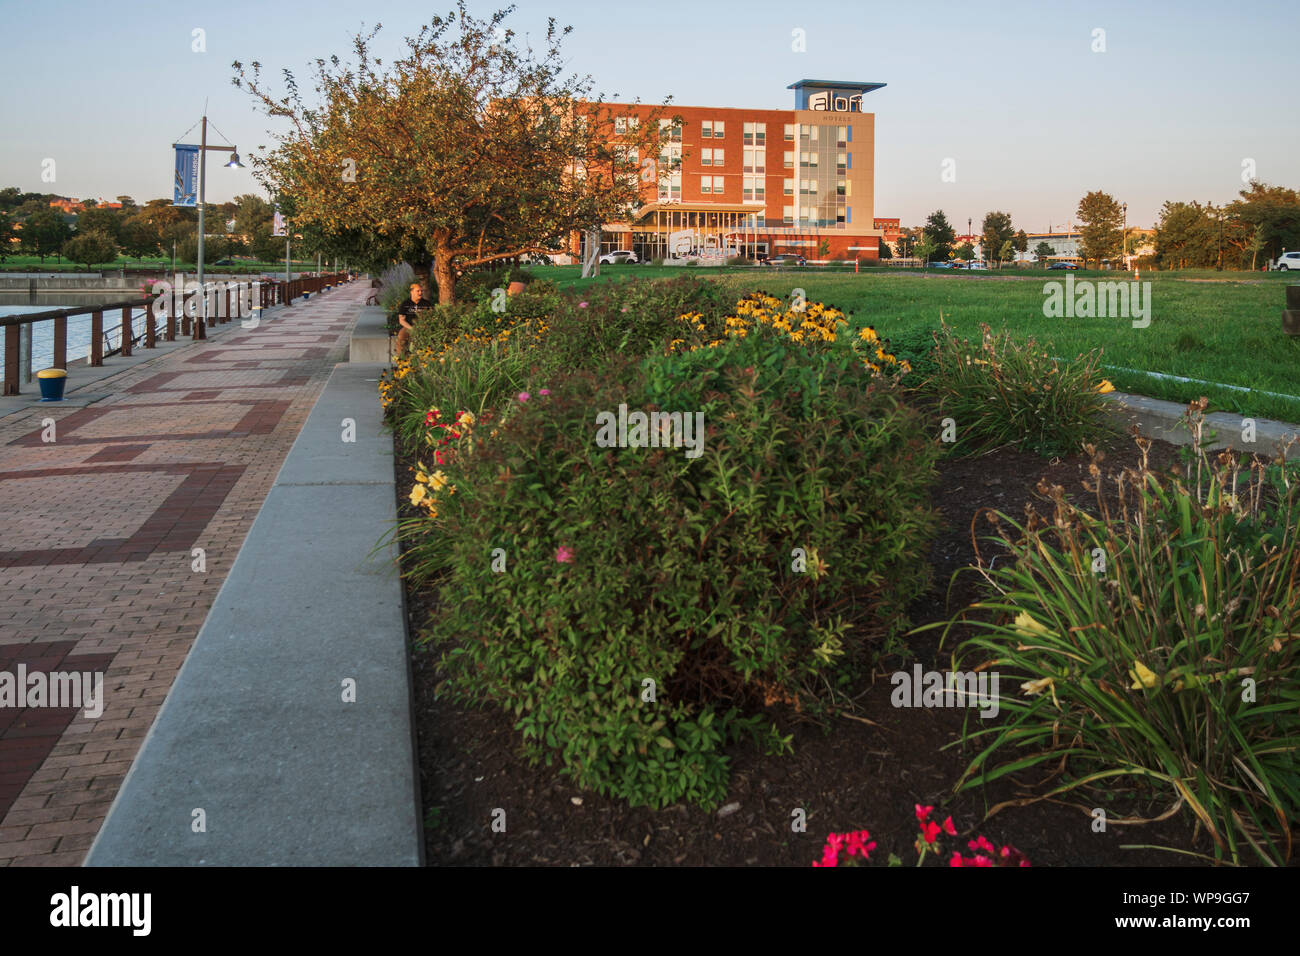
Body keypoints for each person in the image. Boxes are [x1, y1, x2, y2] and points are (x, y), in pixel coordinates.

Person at [394, 281, 434, 357]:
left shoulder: (426, 304)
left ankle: (425, 358)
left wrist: (424, 327)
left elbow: (431, 317)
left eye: (421, 291)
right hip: (409, 327)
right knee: (401, 336)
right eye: (418, 291)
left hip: (423, 327)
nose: (420, 293)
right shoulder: (405, 304)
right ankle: (402, 359)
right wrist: (411, 329)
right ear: (411, 292)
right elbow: (401, 320)